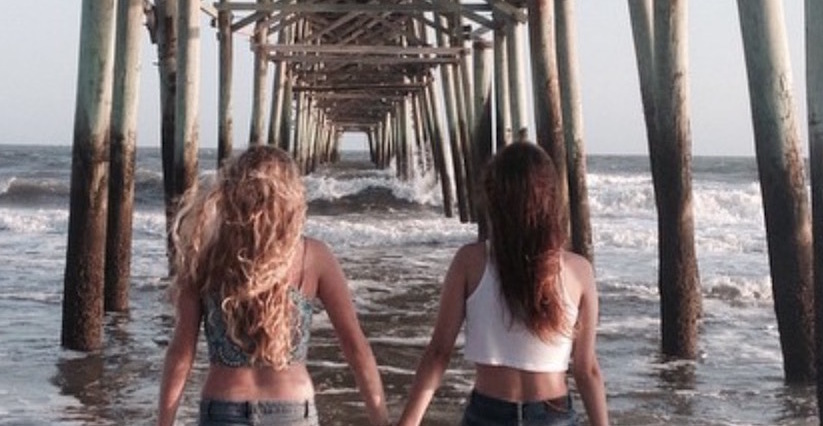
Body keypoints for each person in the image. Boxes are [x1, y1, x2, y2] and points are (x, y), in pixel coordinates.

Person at [156, 146, 389, 426]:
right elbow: (355, 346)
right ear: (291, 199)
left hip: (223, 408)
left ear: (232, 192)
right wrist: (382, 420)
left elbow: (182, 352)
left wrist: (164, 422)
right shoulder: (313, 256)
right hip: (292, 410)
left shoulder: (206, 256)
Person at [397, 142, 609, 426]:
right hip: (553, 414)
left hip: (488, 412)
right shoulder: (578, 270)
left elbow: (438, 353)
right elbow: (587, 370)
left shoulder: (470, 262)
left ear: (493, 199)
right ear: (550, 199)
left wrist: (409, 421)